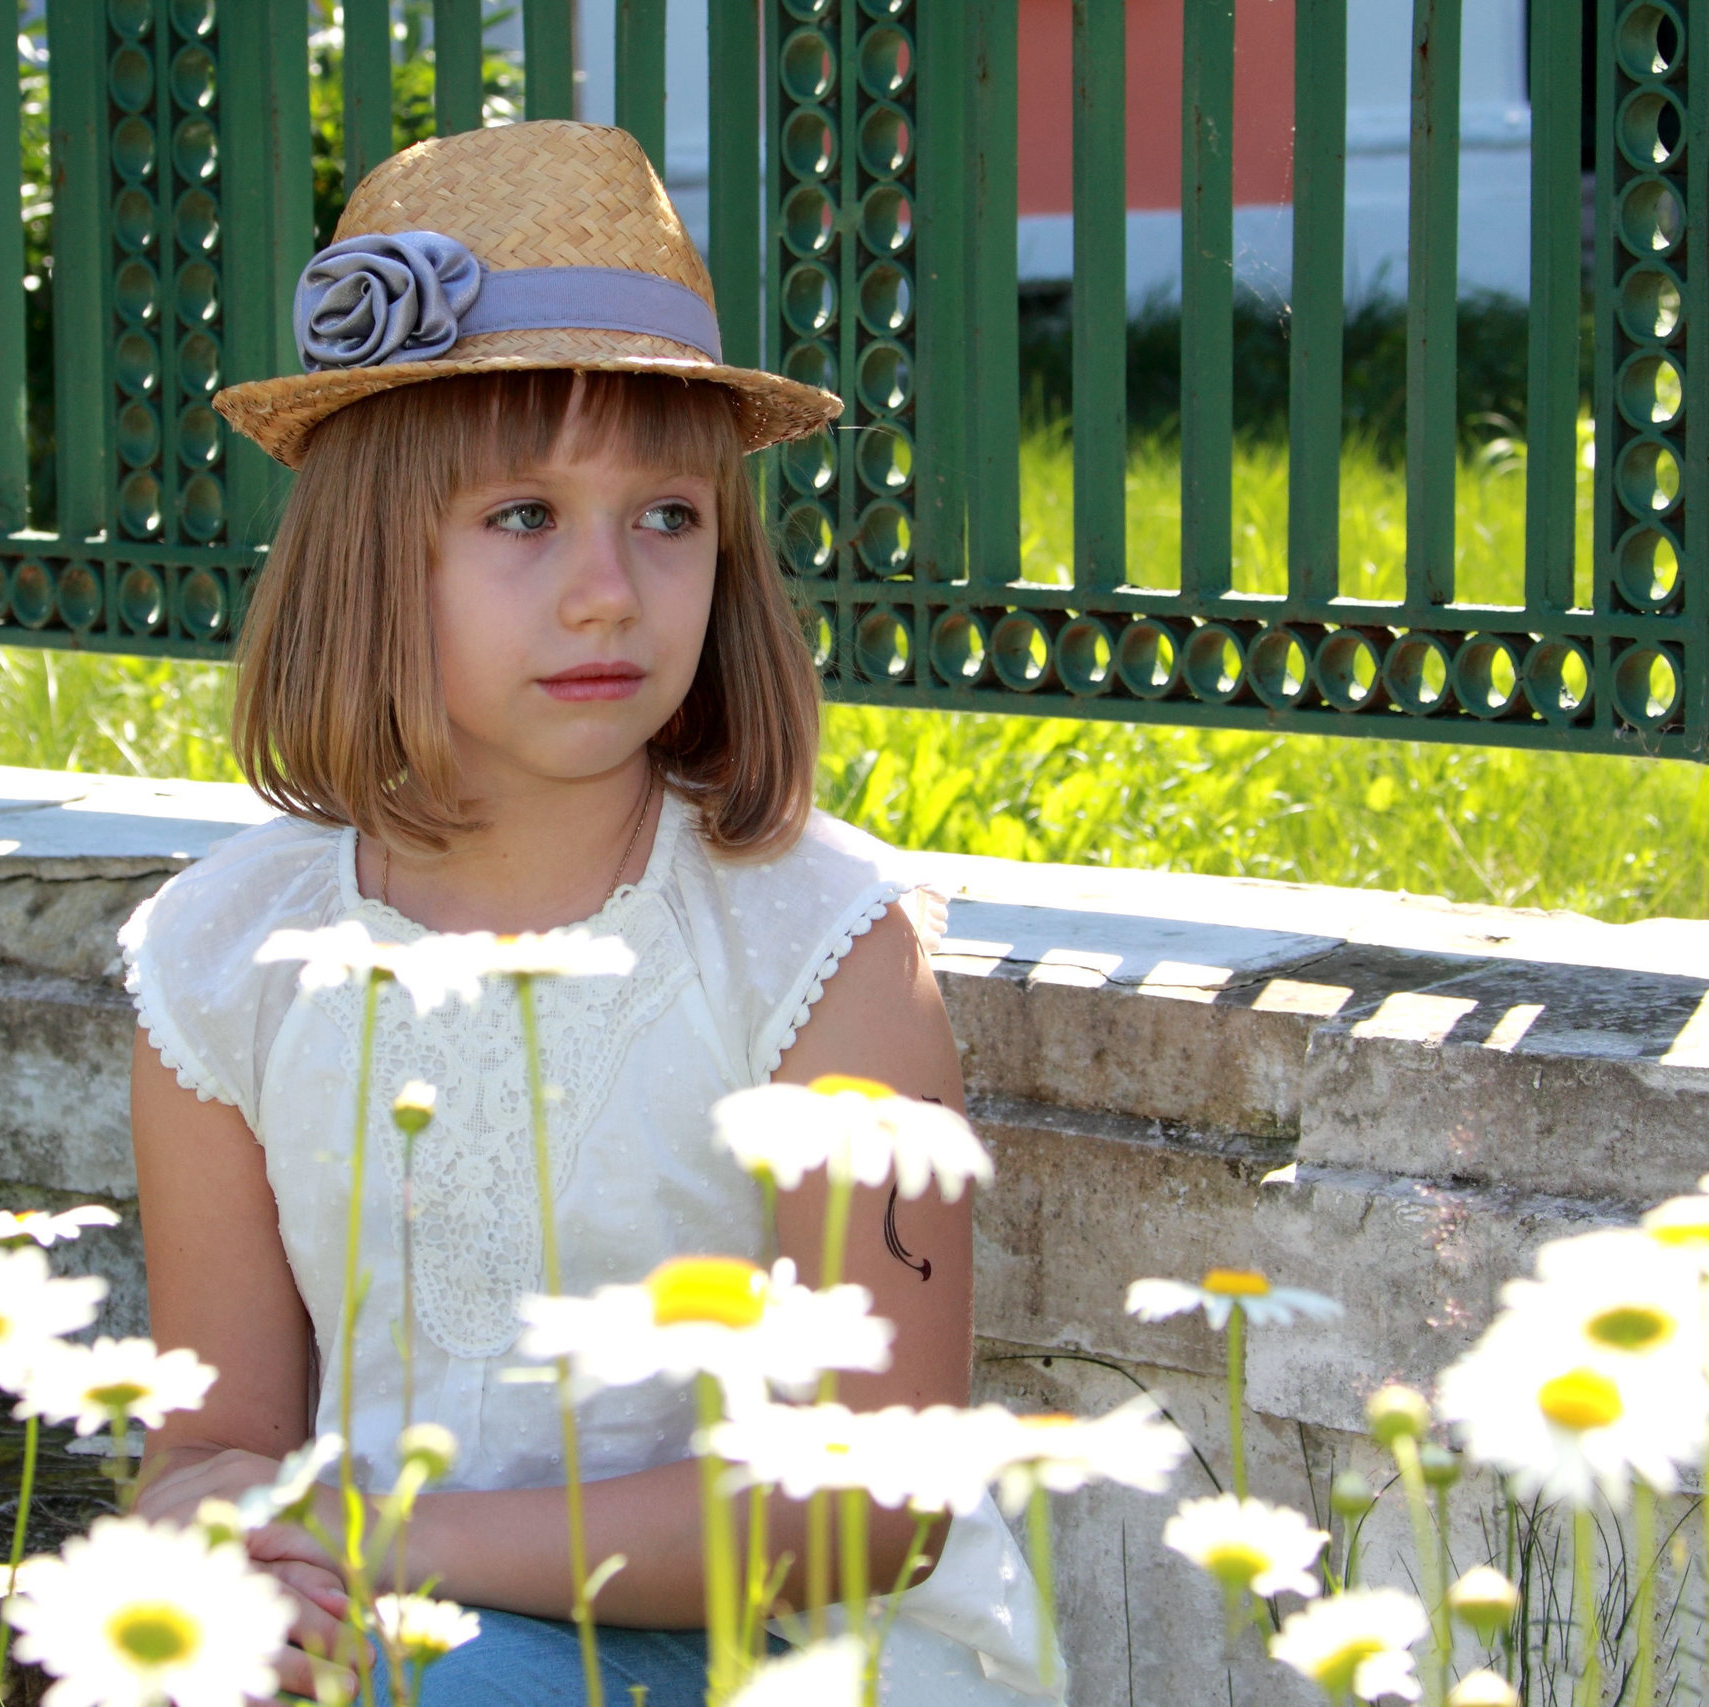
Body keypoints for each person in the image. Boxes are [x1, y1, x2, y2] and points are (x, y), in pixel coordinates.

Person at [121, 120, 1053, 1704]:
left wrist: (386, 1540)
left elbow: (868, 1502)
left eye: (668, 518)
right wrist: (218, 1537)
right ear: (362, 562)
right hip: (404, 1619)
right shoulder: (224, 960)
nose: (610, 589)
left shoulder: (813, 949)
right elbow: (214, 1445)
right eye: (523, 518)